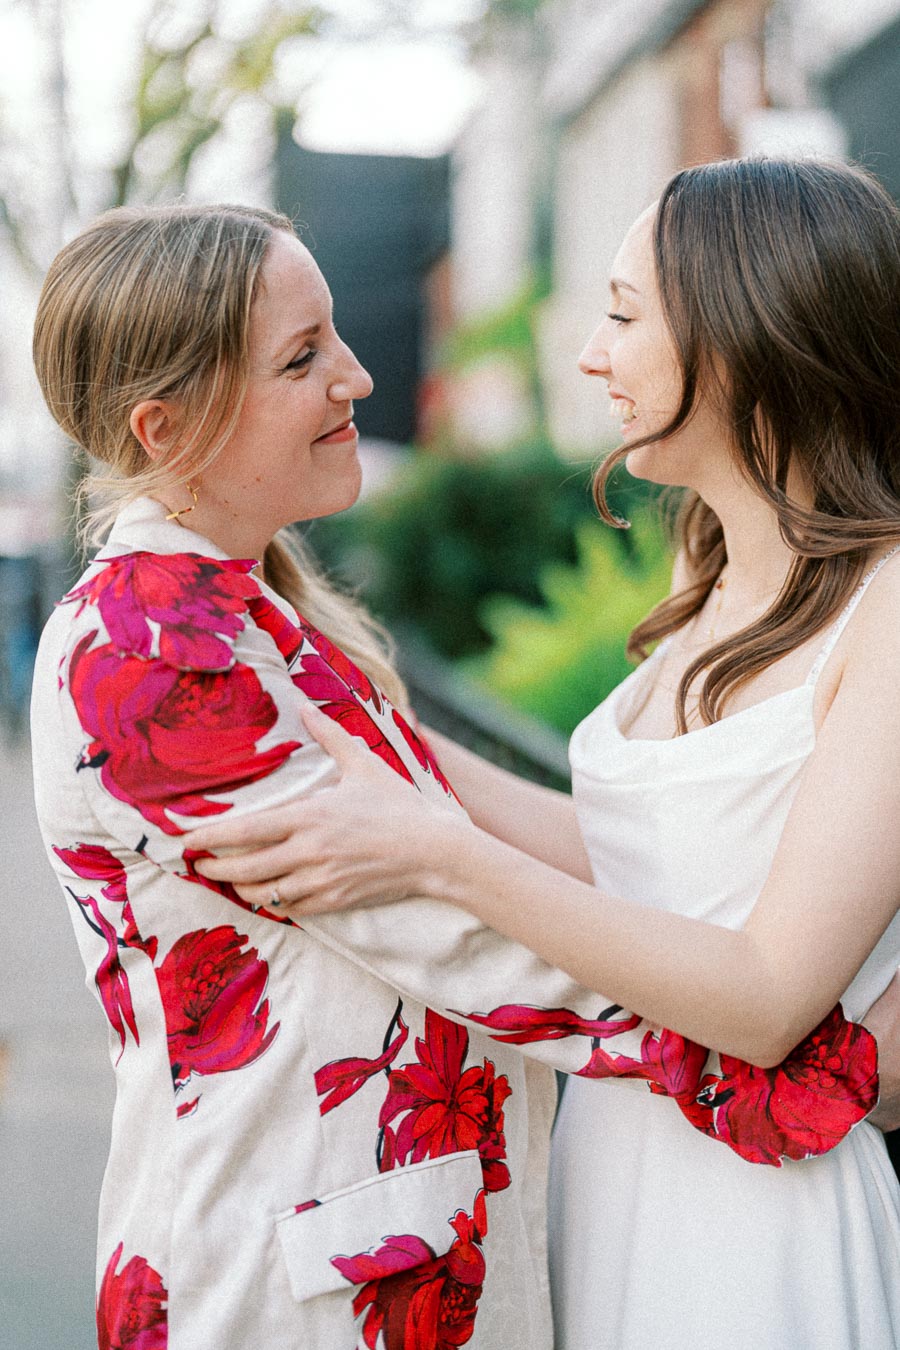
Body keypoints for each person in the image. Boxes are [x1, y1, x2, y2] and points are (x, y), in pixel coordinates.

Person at [184, 159, 900, 1350]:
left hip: (761, 1208)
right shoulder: (707, 567)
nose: (590, 353)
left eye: (623, 315)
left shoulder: (887, 608)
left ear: (748, 330)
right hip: (611, 1160)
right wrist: (369, 732)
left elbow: (773, 997)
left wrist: (440, 858)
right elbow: (631, 861)